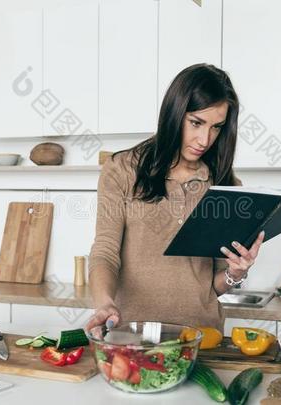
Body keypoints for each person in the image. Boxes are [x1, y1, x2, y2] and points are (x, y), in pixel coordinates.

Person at [85, 63, 265, 333]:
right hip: (130, 336)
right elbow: (105, 252)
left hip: (202, 338)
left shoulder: (226, 185)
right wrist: (104, 303)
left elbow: (212, 284)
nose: (205, 139)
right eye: (196, 123)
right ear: (174, 112)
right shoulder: (121, 169)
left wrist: (235, 273)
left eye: (216, 127)